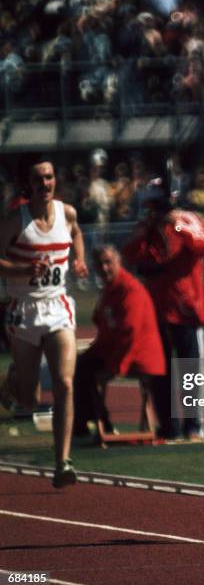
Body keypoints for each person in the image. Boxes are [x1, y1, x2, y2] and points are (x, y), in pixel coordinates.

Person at [0, 157, 88, 488]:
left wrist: (78, 258)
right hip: (24, 309)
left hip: (58, 306)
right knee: (29, 401)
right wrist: (21, 271)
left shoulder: (67, 213)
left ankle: (62, 461)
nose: (45, 184)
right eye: (39, 179)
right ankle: (12, 383)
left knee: (65, 383)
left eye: (49, 177)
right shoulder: (15, 220)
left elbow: (76, 234)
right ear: (28, 183)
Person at [122, 180, 204, 440]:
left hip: (186, 309)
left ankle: (194, 425)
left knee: (191, 369)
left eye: (155, 207)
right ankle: (168, 426)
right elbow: (130, 254)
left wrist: (179, 224)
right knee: (159, 371)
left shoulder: (185, 220)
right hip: (156, 310)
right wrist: (145, 229)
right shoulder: (148, 229)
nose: (152, 212)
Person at [72, 244, 165, 438]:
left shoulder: (130, 290)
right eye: (99, 264)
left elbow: (131, 334)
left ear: (119, 262)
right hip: (117, 351)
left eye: (108, 262)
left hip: (140, 356)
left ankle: (93, 422)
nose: (104, 268)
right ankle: (94, 421)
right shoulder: (110, 290)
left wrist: (116, 367)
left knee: (86, 369)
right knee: (79, 365)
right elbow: (104, 324)